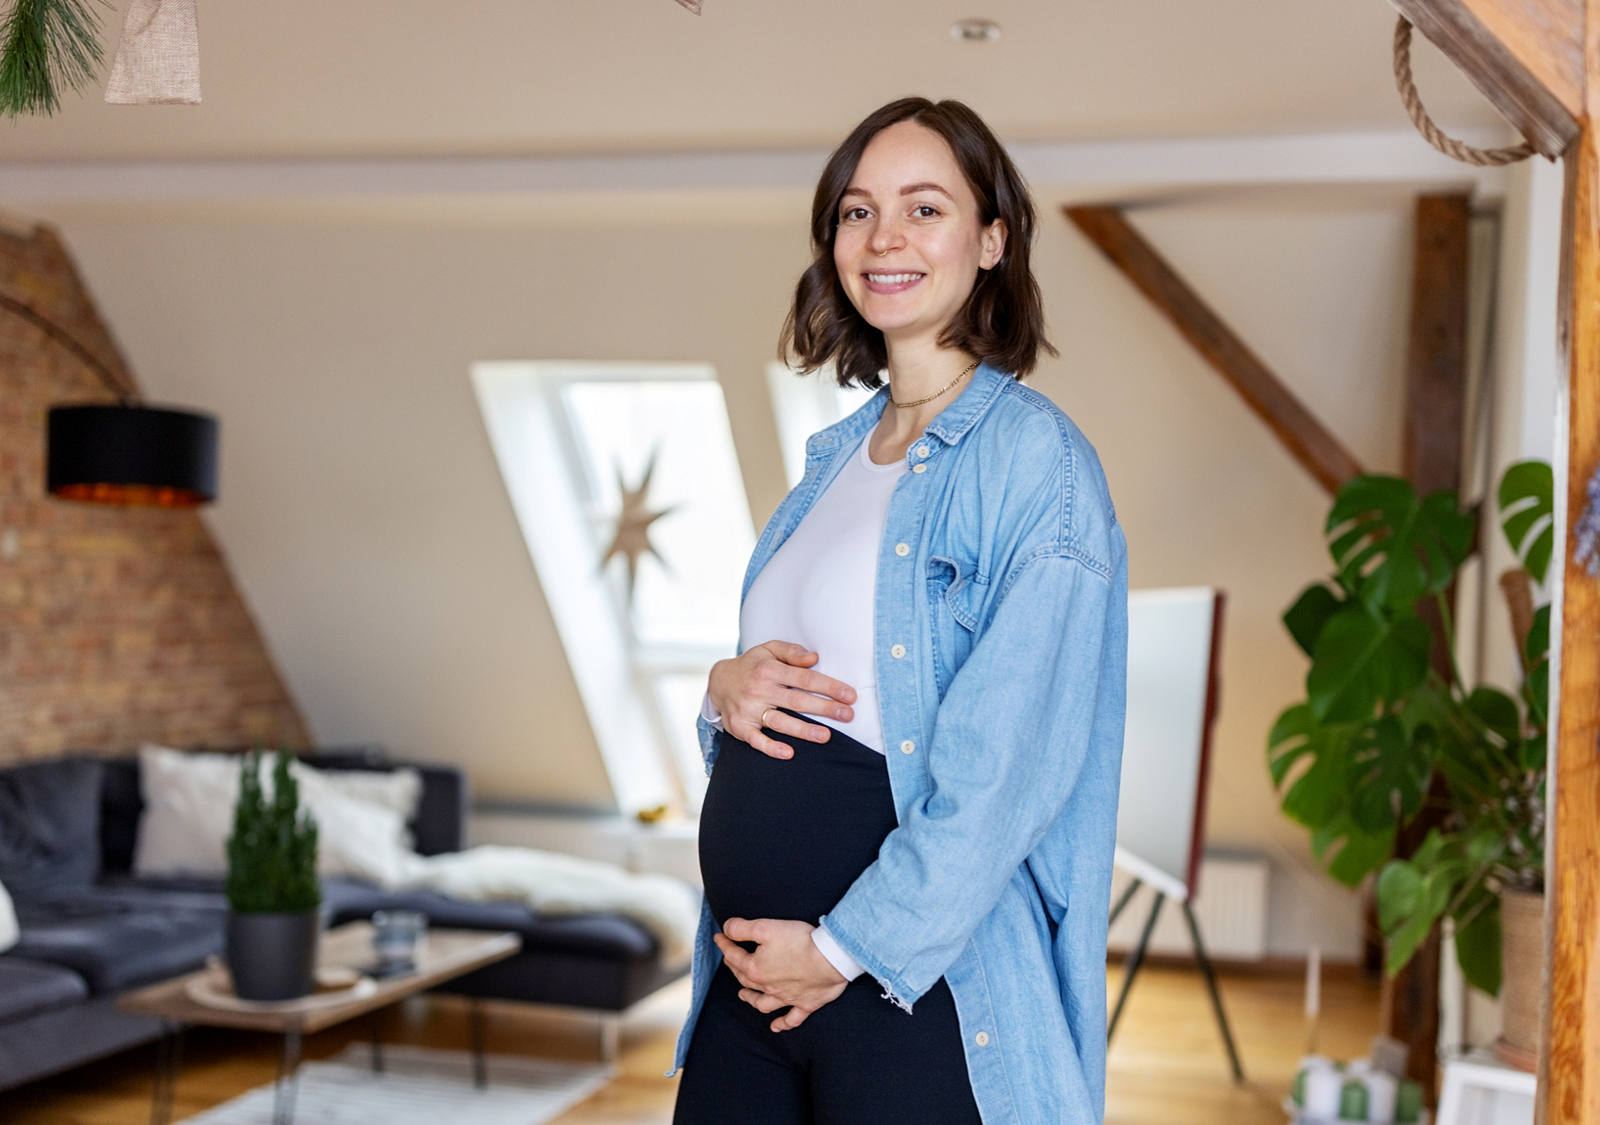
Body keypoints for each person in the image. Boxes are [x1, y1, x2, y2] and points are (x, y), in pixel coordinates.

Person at [669, 96, 1129, 1124]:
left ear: (993, 238)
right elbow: (809, 685)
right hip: (749, 986)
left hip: (907, 990)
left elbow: (1007, 770)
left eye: (925, 209)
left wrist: (839, 950)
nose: (883, 239)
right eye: (856, 212)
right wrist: (720, 690)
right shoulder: (833, 461)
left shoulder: (1035, 464)